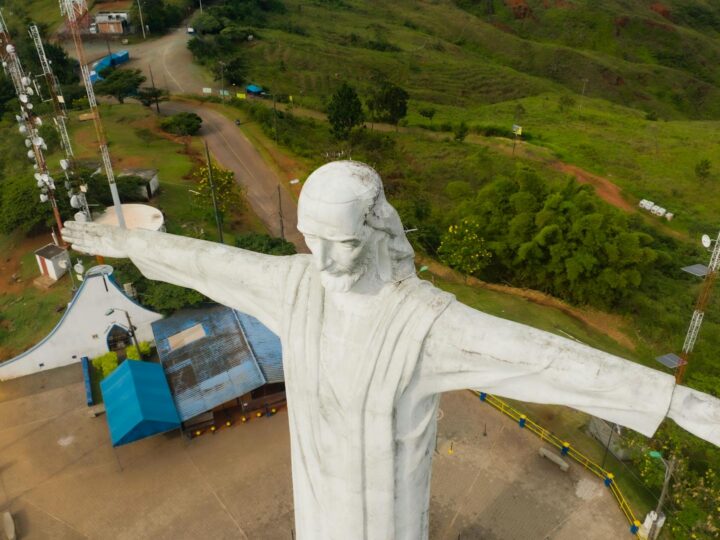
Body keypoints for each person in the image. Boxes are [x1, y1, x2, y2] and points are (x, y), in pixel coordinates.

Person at [62, 160, 720, 540]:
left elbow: (541, 355)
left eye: (343, 244)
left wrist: (673, 401)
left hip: (385, 514)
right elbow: (208, 263)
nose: (325, 261)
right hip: (318, 502)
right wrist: (130, 244)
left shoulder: (423, 325)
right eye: (312, 241)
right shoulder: (296, 286)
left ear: (377, 231)